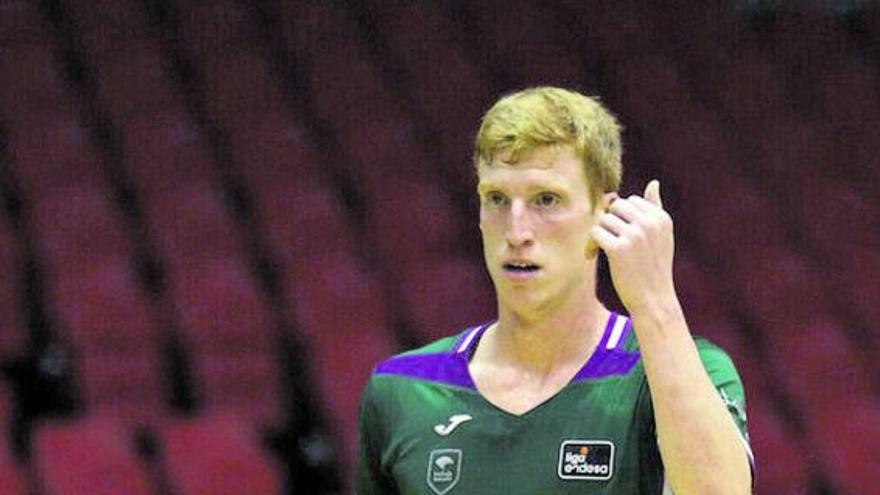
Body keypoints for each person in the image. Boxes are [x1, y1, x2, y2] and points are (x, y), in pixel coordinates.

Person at [356, 87, 753, 494]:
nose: (517, 232)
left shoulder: (685, 371)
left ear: (606, 212)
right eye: (496, 199)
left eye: (546, 200)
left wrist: (655, 303)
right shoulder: (402, 388)